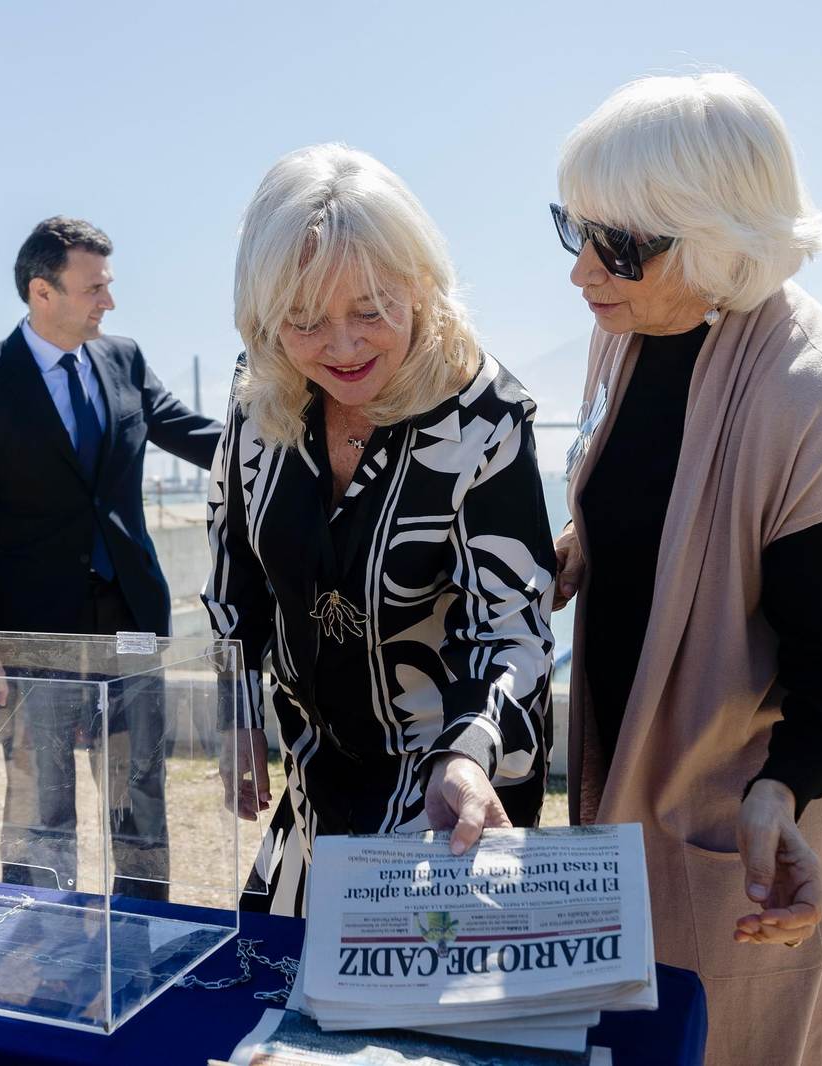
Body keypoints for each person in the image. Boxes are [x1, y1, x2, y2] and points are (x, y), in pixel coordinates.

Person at [548, 73, 822, 1066]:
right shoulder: (622, 331)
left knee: (740, 1027)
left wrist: (775, 794)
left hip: (759, 782)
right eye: (573, 229)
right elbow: (646, 490)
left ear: (716, 238)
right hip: (633, 744)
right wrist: (585, 547)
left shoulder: (813, 402)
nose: (582, 272)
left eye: (615, 244)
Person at [207, 144, 556, 917]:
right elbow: (234, 575)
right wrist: (234, 710)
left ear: (421, 285)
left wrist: (468, 754)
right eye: (304, 320)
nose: (342, 346)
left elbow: (512, 631)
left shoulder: (484, 417)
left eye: (371, 310)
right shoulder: (257, 394)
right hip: (313, 778)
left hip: (444, 792)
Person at [0, 216, 222, 900]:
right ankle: (38, 942)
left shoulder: (125, 360)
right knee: (42, 802)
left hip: (129, 616)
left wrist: (298, 426)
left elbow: (200, 436)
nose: (109, 302)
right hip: (31, 629)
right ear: (43, 291)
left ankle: (149, 932)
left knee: (140, 791)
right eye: (94, 288)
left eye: (108, 287)